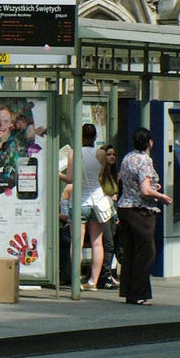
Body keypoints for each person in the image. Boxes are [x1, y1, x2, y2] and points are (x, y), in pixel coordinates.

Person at [117, 127, 172, 306]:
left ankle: (128, 291)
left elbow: (124, 180)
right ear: (150, 143)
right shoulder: (145, 160)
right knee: (146, 252)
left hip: (124, 208)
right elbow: (145, 190)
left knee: (130, 251)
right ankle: (139, 293)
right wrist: (162, 196)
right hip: (141, 211)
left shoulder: (127, 158)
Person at [64, 123, 105, 291]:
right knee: (97, 243)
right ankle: (93, 281)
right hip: (98, 202)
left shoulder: (74, 153)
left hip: (79, 202)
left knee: (77, 243)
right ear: (95, 137)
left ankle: (76, 280)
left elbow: (70, 178)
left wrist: (57, 173)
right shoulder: (101, 153)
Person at [97, 144, 120, 288]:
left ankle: (108, 273)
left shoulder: (113, 174)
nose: (112, 157)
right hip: (102, 212)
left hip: (112, 212)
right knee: (108, 243)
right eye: (109, 154)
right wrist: (110, 196)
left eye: (113, 155)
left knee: (112, 243)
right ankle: (104, 275)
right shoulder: (100, 175)